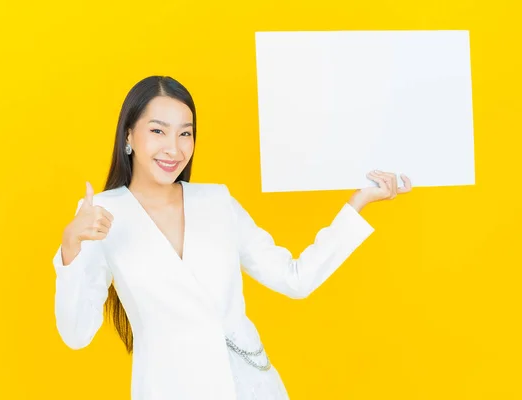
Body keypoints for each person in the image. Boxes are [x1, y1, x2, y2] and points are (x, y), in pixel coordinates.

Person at [52, 75, 412, 400]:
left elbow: (295, 279)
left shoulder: (216, 202)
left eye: (185, 133)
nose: (174, 149)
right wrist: (71, 246)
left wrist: (358, 203)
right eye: (158, 131)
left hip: (250, 387)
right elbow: (76, 333)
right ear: (129, 135)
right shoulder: (102, 214)